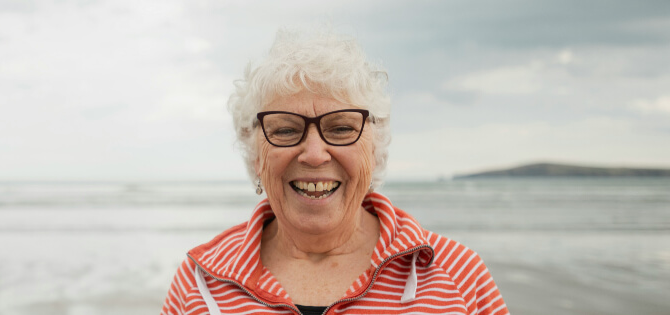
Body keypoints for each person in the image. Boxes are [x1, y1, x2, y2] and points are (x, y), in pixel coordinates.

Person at [160, 28, 509, 315]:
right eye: (285, 130)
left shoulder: (460, 277)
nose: (314, 155)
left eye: (341, 128)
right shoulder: (200, 282)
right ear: (255, 156)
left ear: (374, 148)